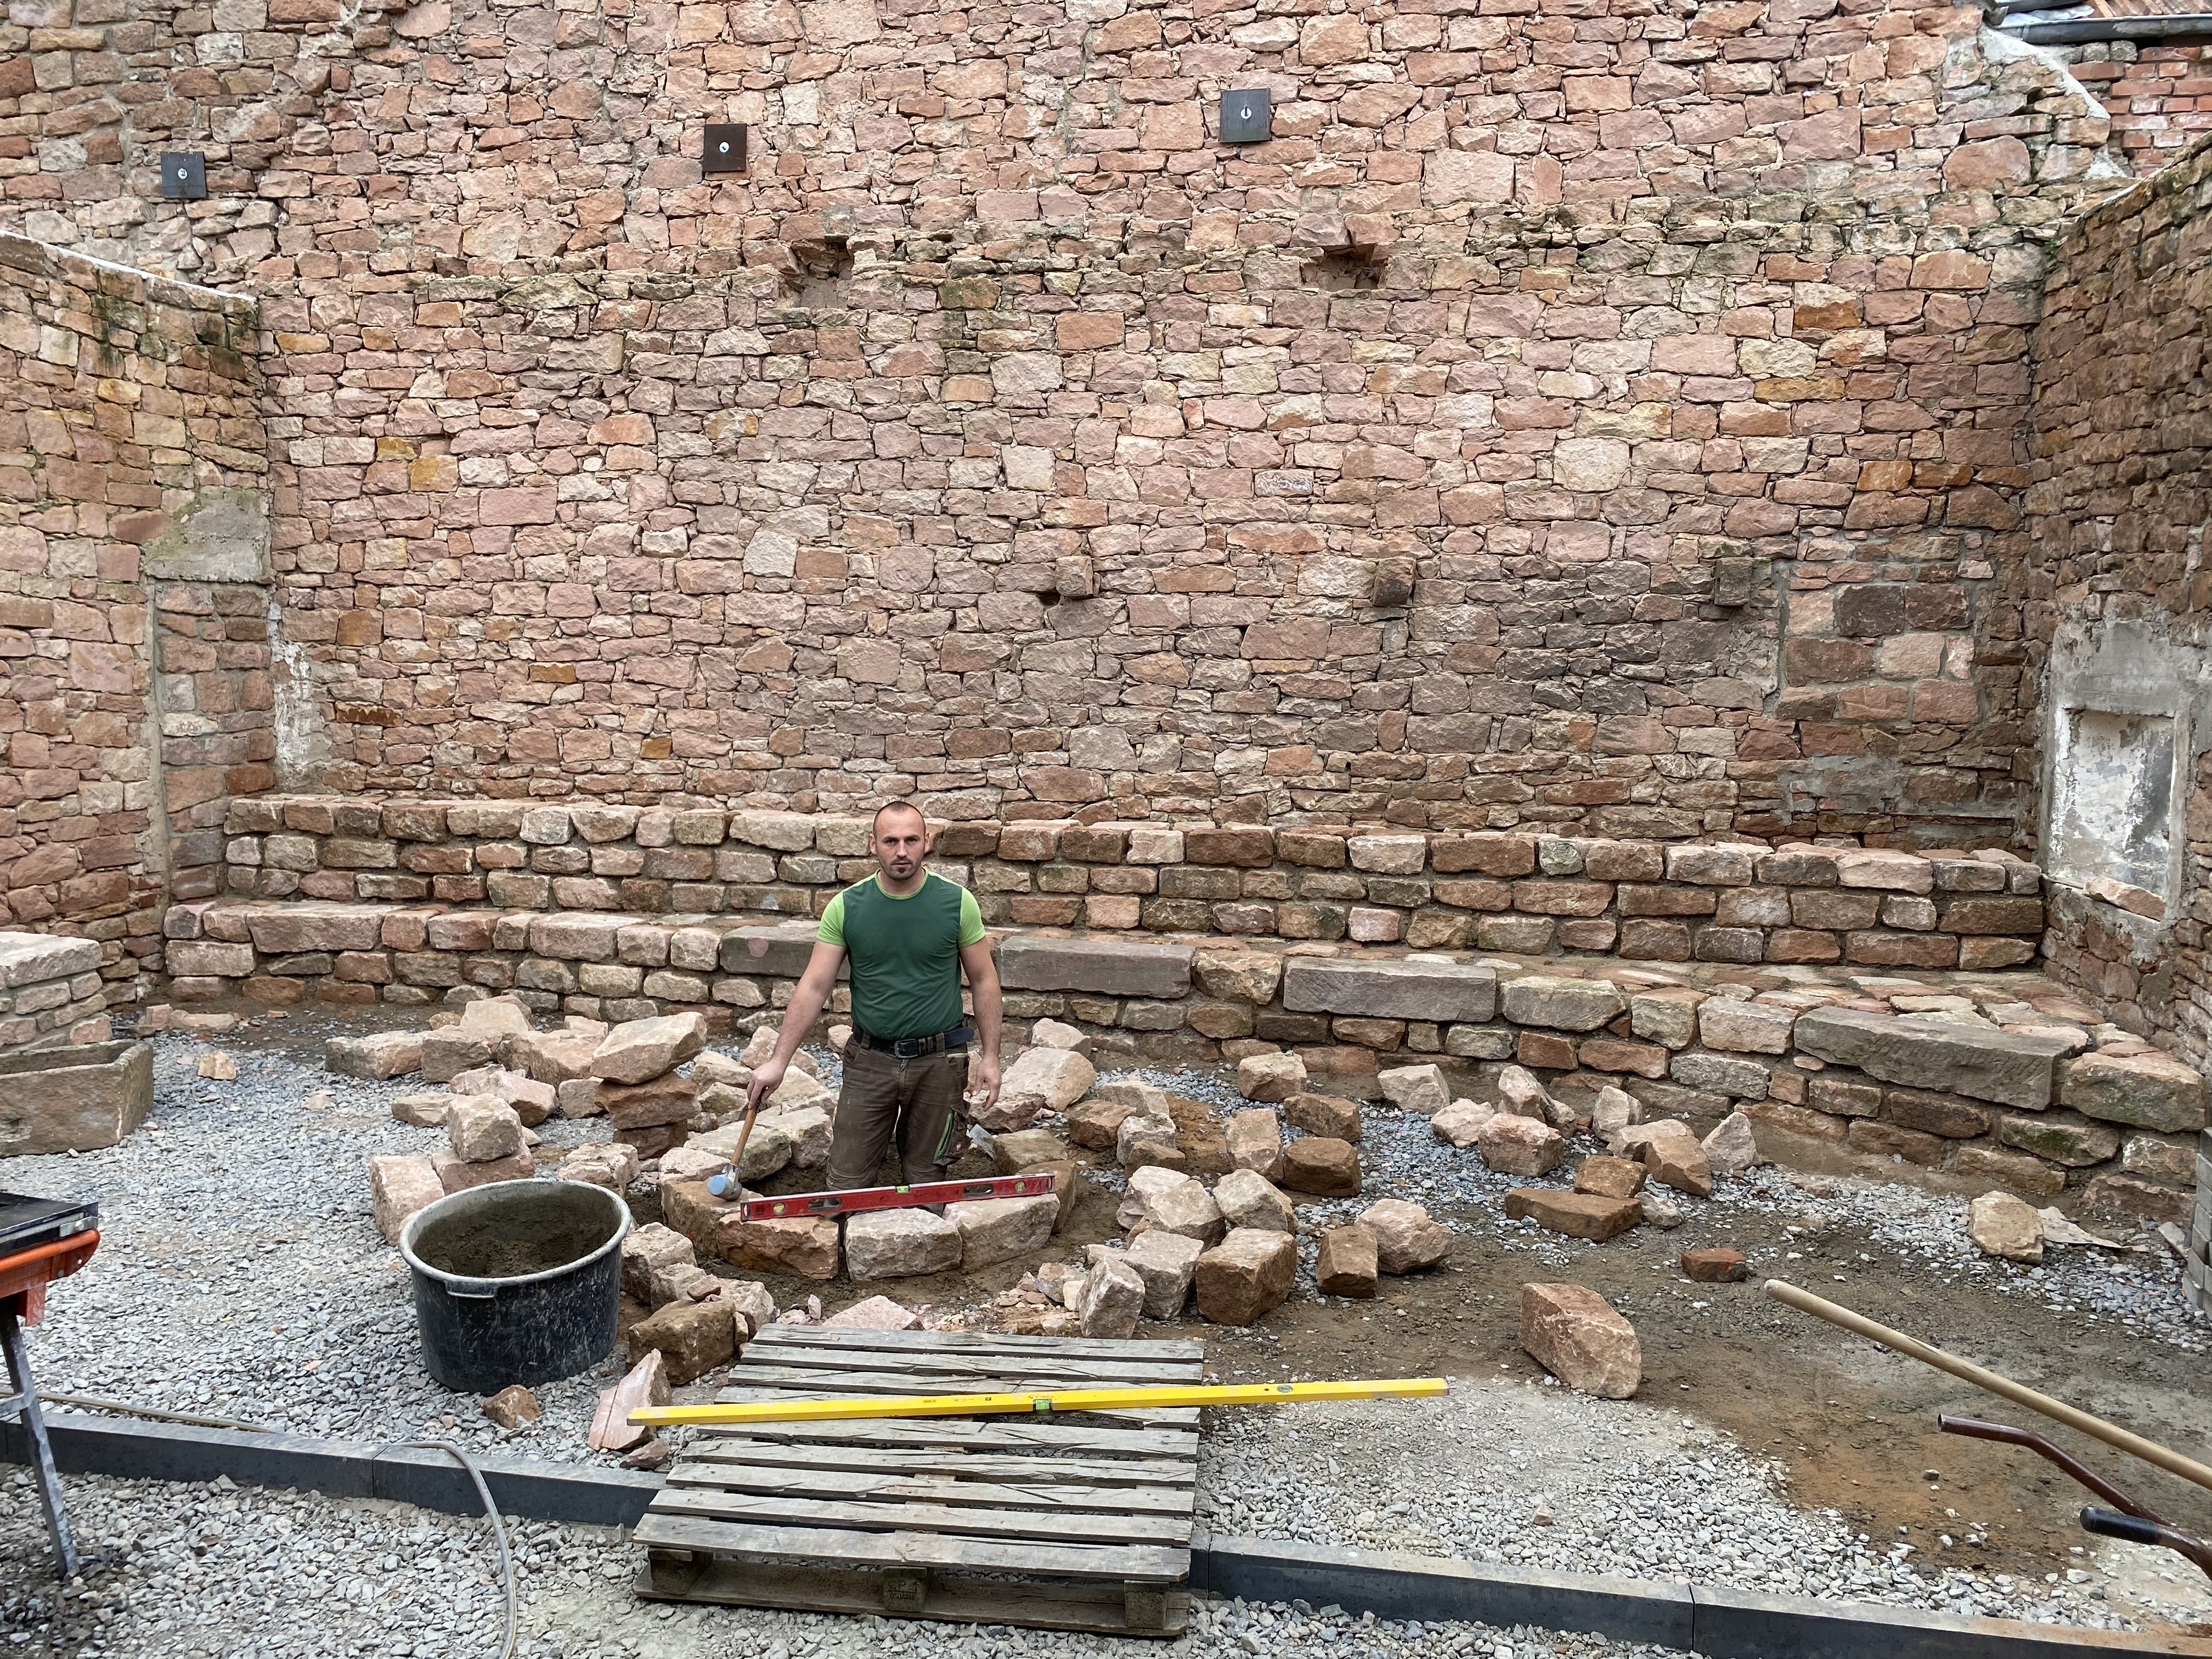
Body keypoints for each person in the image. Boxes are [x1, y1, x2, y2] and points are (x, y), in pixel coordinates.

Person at [744, 802, 1002, 1191]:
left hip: (939, 1063)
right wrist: (779, 1061)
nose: (901, 851)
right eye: (891, 841)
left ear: (926, 843)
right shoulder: (847, 907)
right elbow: (815, 985)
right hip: (870, 1061)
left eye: (911, 840)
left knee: (927, 1183)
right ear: (873, 845)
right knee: (847, 1185)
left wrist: (993, 1057)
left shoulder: (957, 903)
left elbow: (984, 979)